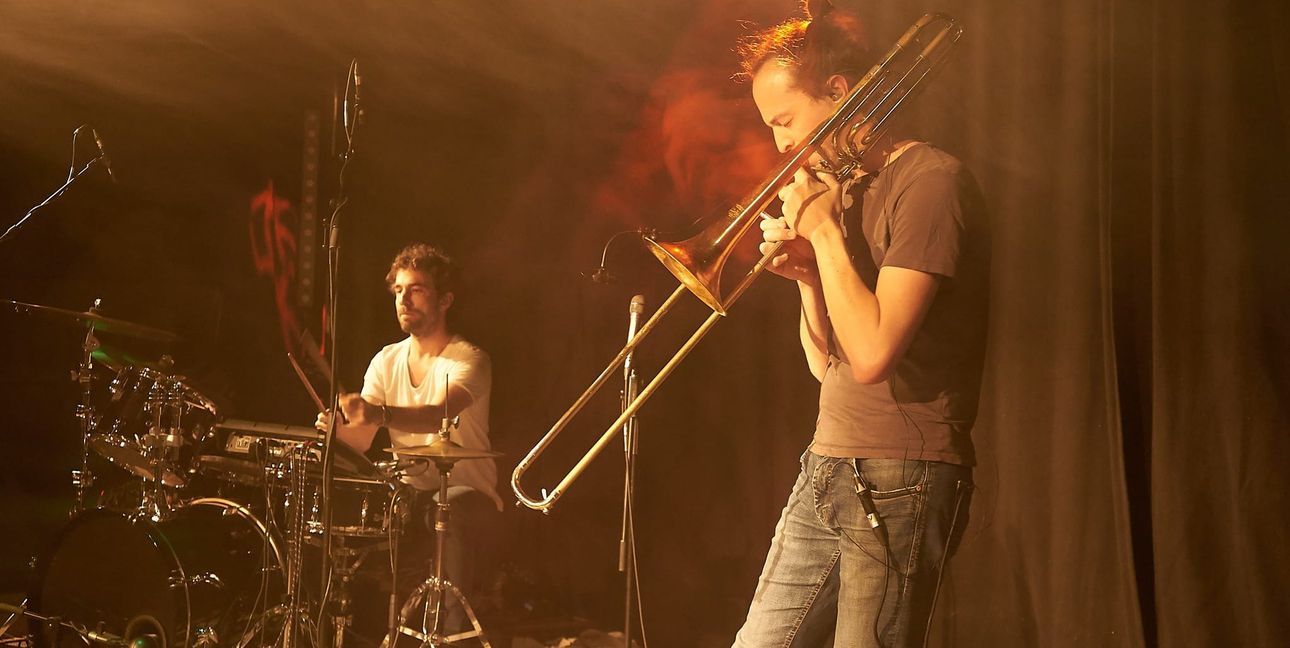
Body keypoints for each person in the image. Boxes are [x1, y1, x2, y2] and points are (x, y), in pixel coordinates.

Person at [731, 2, 990, 647]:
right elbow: (828, 364)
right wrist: (810, 279)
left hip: (904, 475)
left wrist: (821, 233)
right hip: (828, 461)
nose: (780, 144)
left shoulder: (931, 183)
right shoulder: (844, 191)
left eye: (785, 121)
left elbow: (874, 355)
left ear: (839, 93)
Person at [318, 242, 502, 635]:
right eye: (399, 290)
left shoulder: (469, 360)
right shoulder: (386, 360)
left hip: (468, 498)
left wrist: (378, 414)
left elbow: (438, 414)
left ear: (445, 299)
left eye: (416, 289)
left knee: (448, 512)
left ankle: (452, 637)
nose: (404, 298)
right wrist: (335, 430)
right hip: (410, 496)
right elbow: (363, 440)